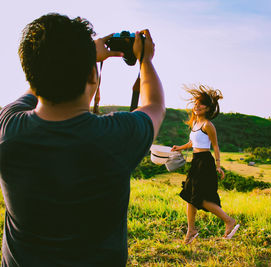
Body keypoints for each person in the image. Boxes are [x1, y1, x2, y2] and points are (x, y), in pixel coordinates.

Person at [0, 13, 165, 266]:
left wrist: (78, 56)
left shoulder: (8, 128)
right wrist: (145, 60)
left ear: (30, 72)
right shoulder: (116, 137)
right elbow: (154, 105)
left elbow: (34, 86)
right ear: (92, 74)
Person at [171, 85, 239, 244]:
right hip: (196, 161)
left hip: (205, 162)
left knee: (199, 198)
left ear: (208, 108)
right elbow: (192, 142)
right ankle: (191, 230)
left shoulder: (208, 125)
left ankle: (229, 220)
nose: (197, 106)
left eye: (201, 104)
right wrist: (179, 148)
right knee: (189, 196)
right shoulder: (195, 123)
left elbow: (215, 146)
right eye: (196, 103)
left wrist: (218, 165)